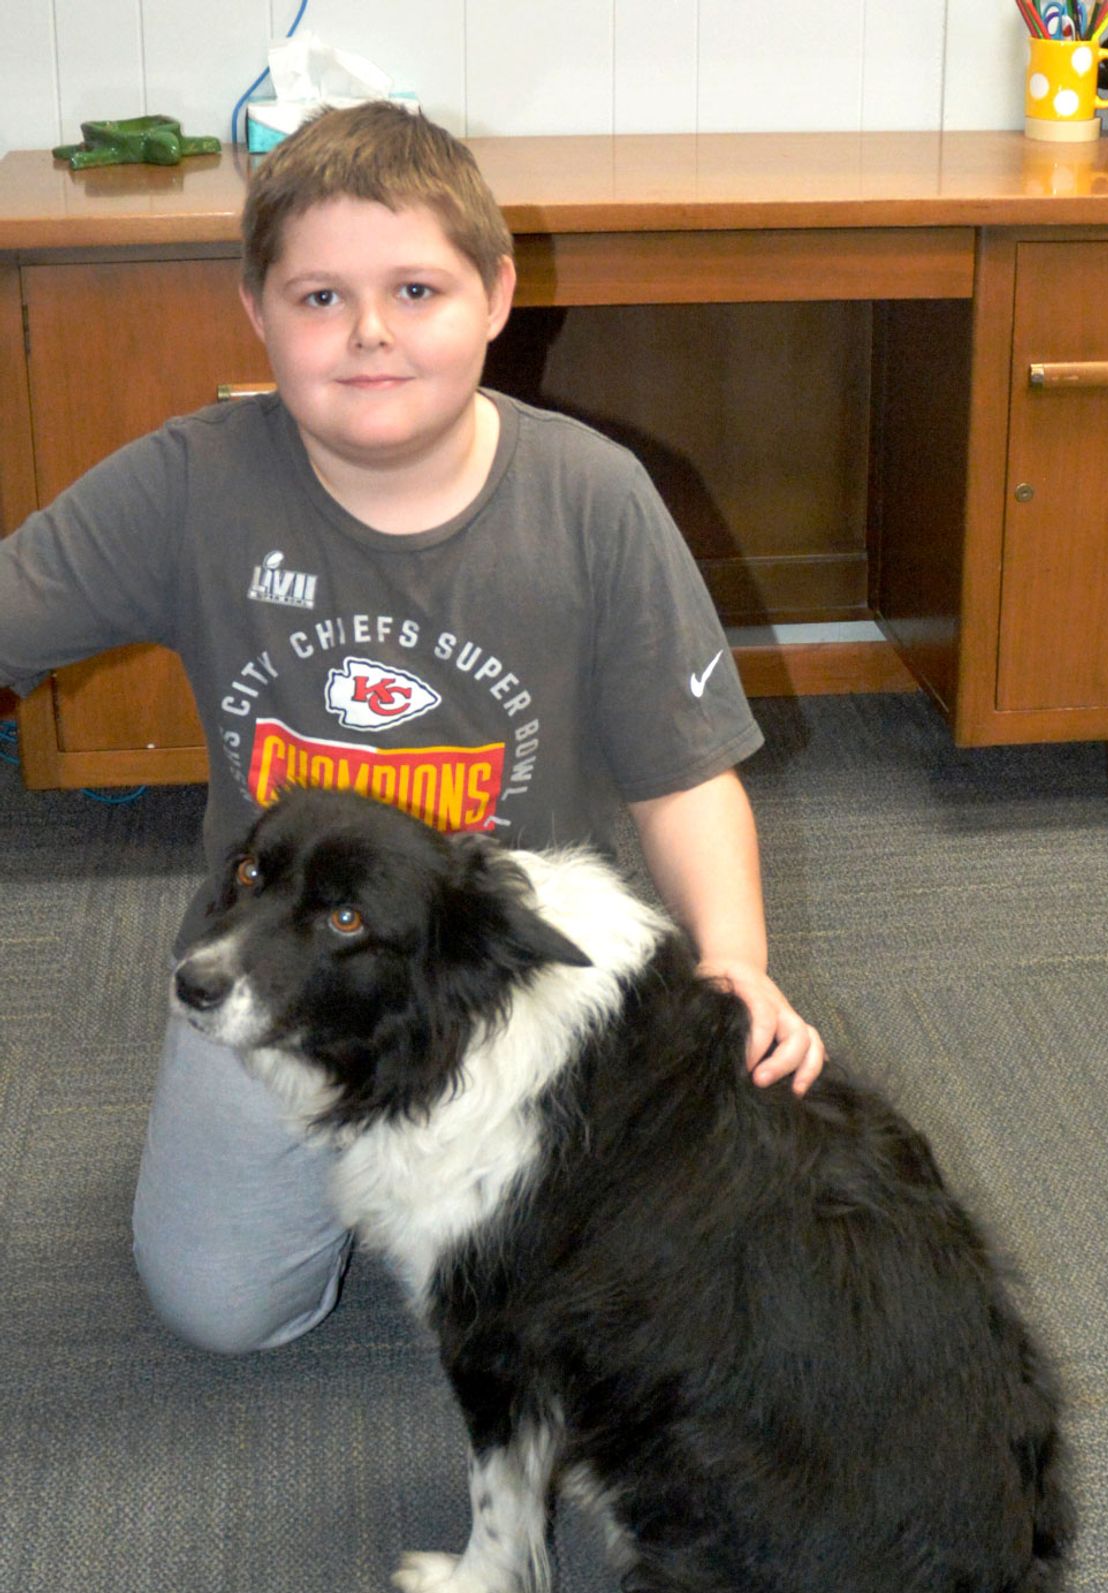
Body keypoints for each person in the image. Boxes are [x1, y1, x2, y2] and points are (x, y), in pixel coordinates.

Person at [0, 102, 824, 1355]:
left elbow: (684, 774)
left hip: (498, 980)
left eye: (417, 289)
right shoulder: (191, 482)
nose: (371, 332)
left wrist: (737, 960)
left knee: (633, 1306)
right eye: (320, 296)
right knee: (221, 1308)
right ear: (256, 312)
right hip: (274, 971)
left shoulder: (594, 498)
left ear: (497, 296)